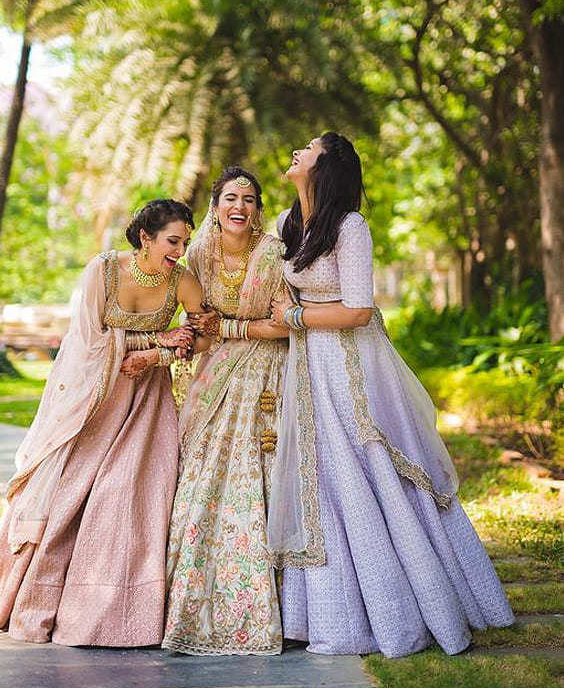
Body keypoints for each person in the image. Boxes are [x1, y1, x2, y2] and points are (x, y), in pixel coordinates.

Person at [269, 133, 514, 658]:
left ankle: (409, 607)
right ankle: (327, 614)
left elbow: (358, 309)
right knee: (321, 478)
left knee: (368, 467)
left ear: (326, 166)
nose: (297, 151)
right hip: (308, 364)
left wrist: (293, 318)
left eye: (308, 148)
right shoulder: (290, 225)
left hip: (351, 363)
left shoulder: (349, 227)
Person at [0, 199, 206, 646]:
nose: (180, 251)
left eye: (186, 243)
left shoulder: (181, 280)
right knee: (69, 493)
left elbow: (201, 331)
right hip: (93, 401)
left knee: (128, 493)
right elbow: (89, 338)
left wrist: (159, 353)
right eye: (173, 241)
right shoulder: (105, 269)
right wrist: (154, 335)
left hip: (147, 404)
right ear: (145, 237)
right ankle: (38, 603)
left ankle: (118, 614)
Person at [163, 166, 289, 656]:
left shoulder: (274, 253)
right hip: (212, 375)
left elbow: (284, 326)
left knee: (257, 470)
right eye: (231, 198)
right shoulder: (197, 254)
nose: (240, 206)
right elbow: (193, 323)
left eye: (250, 200)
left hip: (265, 375)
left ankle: (269, 604)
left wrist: (230, 329)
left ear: (258, 210)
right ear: (215, 208)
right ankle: (192, 600)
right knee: (202, 473)